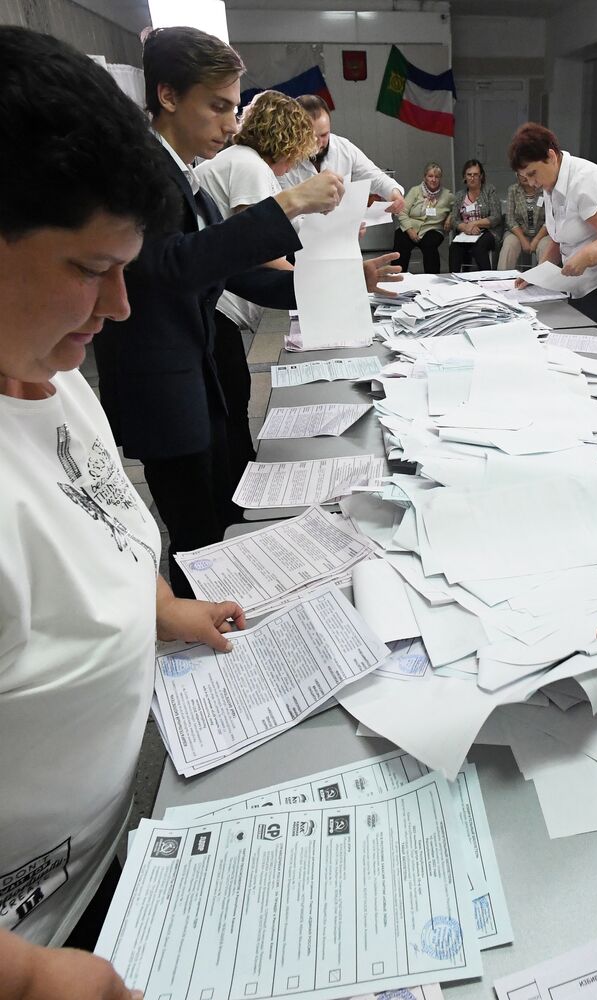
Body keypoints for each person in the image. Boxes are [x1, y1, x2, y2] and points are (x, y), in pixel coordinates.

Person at [0, 26, 247, 995]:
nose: (118, 309)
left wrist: (159, 606)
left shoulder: (46, 374)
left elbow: (96, 515)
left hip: (113, 857)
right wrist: (24, 978)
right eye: (86, 268)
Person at [92, 26, 401, 596]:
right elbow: (173, 265)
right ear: (167, 96)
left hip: (194, 369)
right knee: (195, 534)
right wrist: (285, 204)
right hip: (159, 383)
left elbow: (232, 271)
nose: (232, 125)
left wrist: (344, 279)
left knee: (221, 512)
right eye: (217, 107)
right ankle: (199, 644)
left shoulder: (187, 176)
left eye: (234, 108)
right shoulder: (141, 172)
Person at [193, 89, 318, 480]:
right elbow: (255, 245)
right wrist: (315, 284)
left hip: (215, 299)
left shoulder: (241, 162)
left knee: (233, 396)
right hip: (217, 306)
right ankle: (240, 489)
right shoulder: (249, 166)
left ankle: (239, 480)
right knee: (232, 398)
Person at [509, 123, 597, 332]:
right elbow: (559, 237)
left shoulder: (586, 180)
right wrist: (537, 274)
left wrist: (586, 257)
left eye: (533, 174)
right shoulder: (550, 183)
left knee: (590, 338)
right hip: (579, 280)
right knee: (573, 331)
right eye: (526, 178)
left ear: (551, 156)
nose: (532, 183)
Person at [282, 94, 405, 215]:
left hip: (344, 232)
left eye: (324, 135)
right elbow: (284, 213)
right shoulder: (283, 160)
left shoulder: (344, 148)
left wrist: (393, 192)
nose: (318, 143)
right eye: (310, 136)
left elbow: (375, 176)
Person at [393, 160, 452, 274]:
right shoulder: (415, 191)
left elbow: (458, 207)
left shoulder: (448, 195)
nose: (433, 179)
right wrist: (409, 230)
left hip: (433, 228)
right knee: (401, 240)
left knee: (429, 245)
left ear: (440, 178)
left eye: (437, 177)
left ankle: (432, 278)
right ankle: (397, 276)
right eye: (430, 176)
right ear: (425, 177)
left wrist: (450, 217)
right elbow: (402, 212)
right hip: (411, 226)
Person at [448, 159, 503, 272]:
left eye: (475, 175)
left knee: (479, 247)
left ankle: (487, 280)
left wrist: (473, 224)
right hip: (465, 233)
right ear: (465, 176)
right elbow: (454, 219)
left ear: (481, 176)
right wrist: (466, 228)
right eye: (469, 175)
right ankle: (455, 281)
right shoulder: (459, 195)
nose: (472, 178)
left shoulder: (489, 191)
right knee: (454, 248)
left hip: (488, 232)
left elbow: (496, 217)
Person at [499, 170, 552, 270]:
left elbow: (550, 219)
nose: (524, 177)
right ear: (517, 175)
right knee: (509, 246)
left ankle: (544, 282)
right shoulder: (513, 190)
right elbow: (510, 219)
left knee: (545, 248)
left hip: (542, 233)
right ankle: (502, 280)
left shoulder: (545, 189)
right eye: (521, 174)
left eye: (528, 173)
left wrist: (536, 240)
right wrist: (523, 240)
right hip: (518, 233)